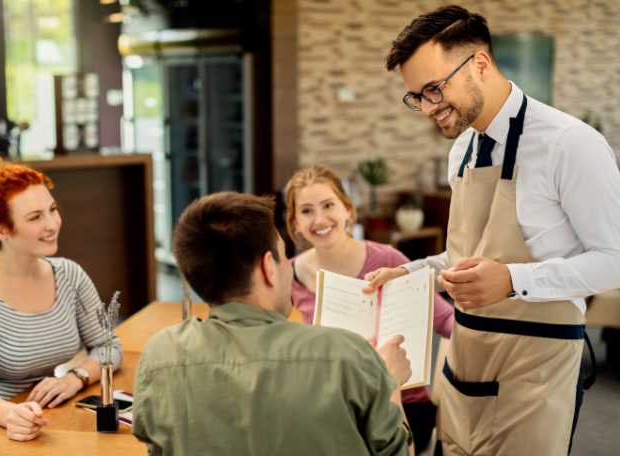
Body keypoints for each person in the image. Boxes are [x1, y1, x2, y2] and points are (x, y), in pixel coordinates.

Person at [365, 5, 620, 455]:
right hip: (465, 360)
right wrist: (413, 273)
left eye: (433, 89)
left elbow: (614, 260)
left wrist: (511, 281)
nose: (426, 108)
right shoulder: (462, 147)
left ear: (480, 64)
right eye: (416, 96)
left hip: (536, 370)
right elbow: (464, 254)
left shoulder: (570, 144)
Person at [131, 191, 413, 456]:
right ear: (268, 267)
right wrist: (391, 385)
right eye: (283, 255)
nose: (289, 266)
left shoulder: (160, 355)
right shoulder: (347, 355)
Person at [0, 149, 123, 451]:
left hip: (34, 418)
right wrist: (9, 414)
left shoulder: (69, 274)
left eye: (52, 209)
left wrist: (75, 377)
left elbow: (108, 346)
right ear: (0, 229)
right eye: (35, 217)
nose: (52, 224)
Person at [285, 164, 454, 454]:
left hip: (405, 403)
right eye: (307, 210)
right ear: (295, 222)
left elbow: (446, 320)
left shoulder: (387, 260)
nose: (320, 219)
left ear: (348, 210)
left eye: (328, 205)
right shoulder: (289, 275)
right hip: (336, 405)